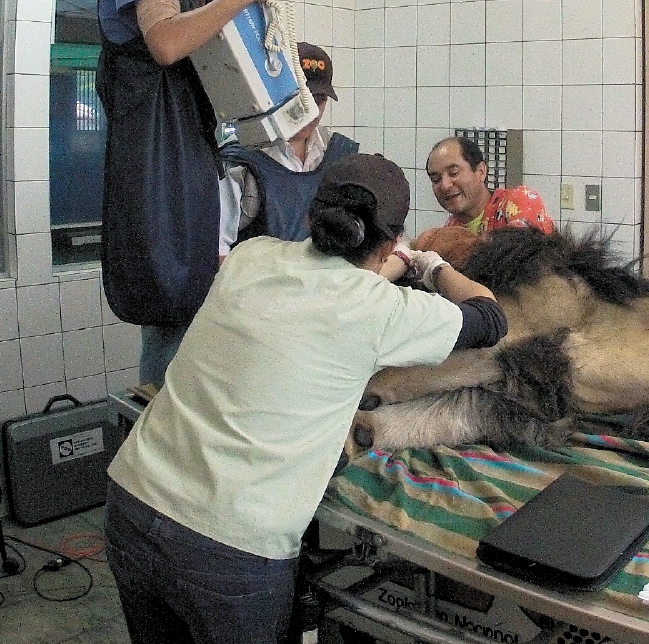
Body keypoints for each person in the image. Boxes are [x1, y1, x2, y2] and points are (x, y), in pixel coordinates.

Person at [103, 153, 507, 644]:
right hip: (230, 547)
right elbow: (489, 319)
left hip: (132, 498)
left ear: (313, 216)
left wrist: (394, 263)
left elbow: (320, 295)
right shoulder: (381, 311)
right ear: (391, 239)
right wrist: (431, 264)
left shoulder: (250, 258)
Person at [96, 0, 285, 387]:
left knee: (187, 298)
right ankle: (153, 435)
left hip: (183, 158)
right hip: (152, 162)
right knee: (166, 291)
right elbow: (164, 43)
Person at [218, 42, 359, 249]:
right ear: (276, 93)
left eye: (319, 100)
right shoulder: (239, 162)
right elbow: (217, 250)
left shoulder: (341, 155)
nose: (310, 111)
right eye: (302, 98)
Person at [426, 136, 555, 234]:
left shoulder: (519, 201)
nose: (445, 185)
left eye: (453, 173)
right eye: (436, 179)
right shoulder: (448, 233)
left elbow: (522, 259)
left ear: (481, 171)